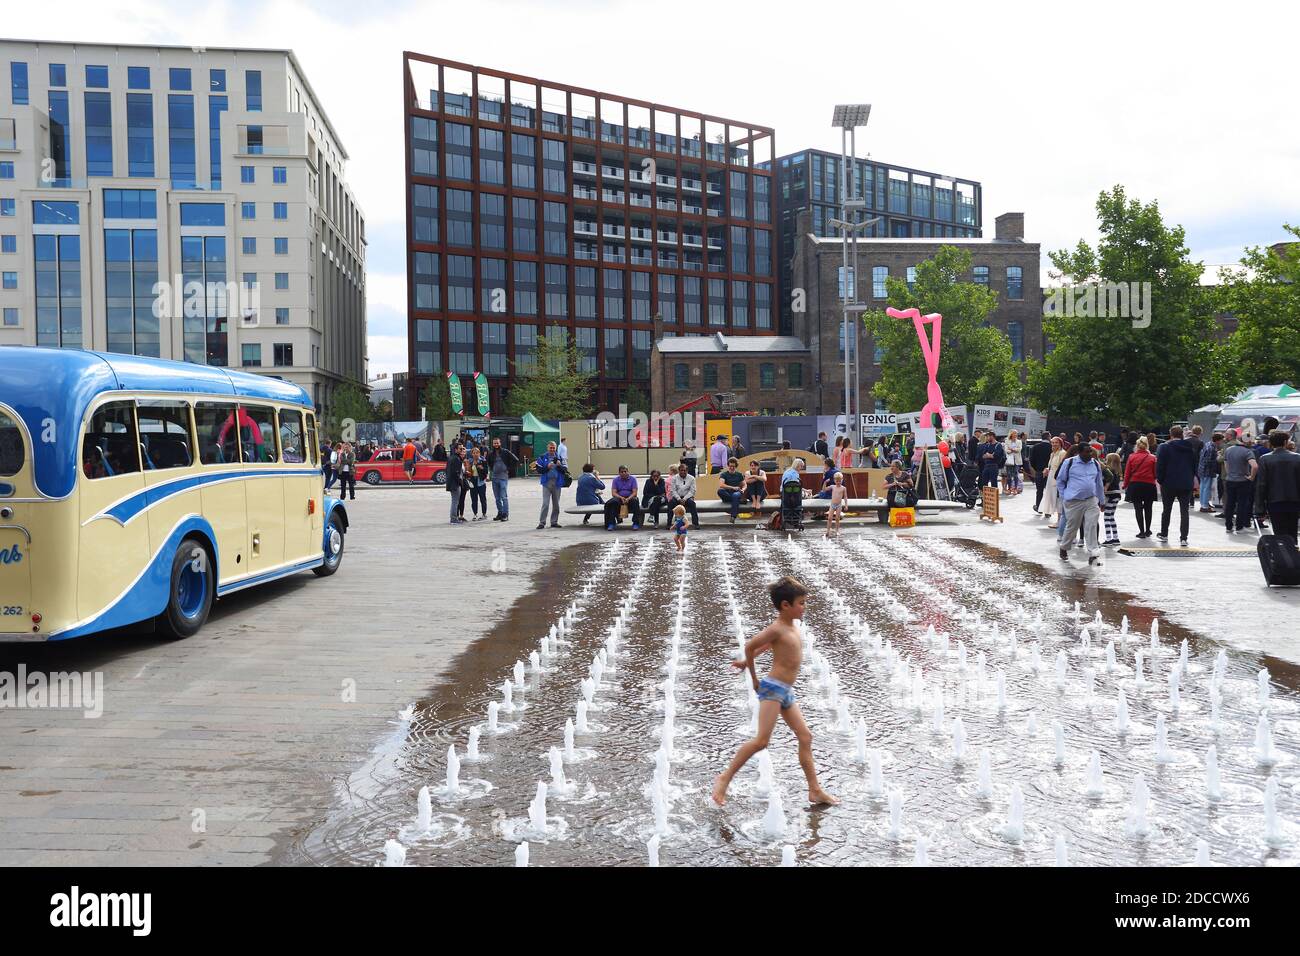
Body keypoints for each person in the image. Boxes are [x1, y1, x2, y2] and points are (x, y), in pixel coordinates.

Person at [712, 576, 837, 808]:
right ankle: (724, 779)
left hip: (786, 690)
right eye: (801, 603)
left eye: (805, 602)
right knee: (761, 741)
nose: (804, 607)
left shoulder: (790, 627)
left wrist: (744, 662)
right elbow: (750, 646)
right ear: (785, 606)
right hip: (772, 688)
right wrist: (754, 677)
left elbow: (767, 646)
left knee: (805, 736)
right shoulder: (777, 628)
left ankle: (815, 790)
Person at [1056, 442, 1106, 565]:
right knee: (1072, 526)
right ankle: (1064, 547)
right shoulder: (1069, 463)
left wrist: (1102, 500)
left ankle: (1093, 552)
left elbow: (1099, 483)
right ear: (1079, 452)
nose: (1090, 454)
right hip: (1073, 501)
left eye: (1090, 451)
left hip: (1091, 500)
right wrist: (1064, 496)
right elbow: (1060, 480)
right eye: (1087, 452)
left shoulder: (1095, 463)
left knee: (1092, 525)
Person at [1255, 430, 1300, 544]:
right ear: (1285, 442)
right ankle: (1293, 554)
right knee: (1292, 529)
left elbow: (1261, 484)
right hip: (1294, 500)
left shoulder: (1265, 459)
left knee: (1279, 530)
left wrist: (1260, 508)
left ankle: (1282, 554)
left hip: (1274, 500)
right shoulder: (1297, 458)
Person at [1155, 424, 1197, 546]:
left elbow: (1160, 466)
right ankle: (1184, 537)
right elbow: (1194, 466)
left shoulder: (1164, 447)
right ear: (1181, 434)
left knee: (1166, 510)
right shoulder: (1190, 449)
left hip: (1169, 482)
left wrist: (1160, 480)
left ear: (1171, 434)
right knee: (1184, 511)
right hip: (1186, 483)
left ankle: (1164, 534)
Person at [1222, 428, 1259, 535]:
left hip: (1230, 480)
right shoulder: (1248, 452)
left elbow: (1226, 463)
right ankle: (1239, 527)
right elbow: (1255, 466)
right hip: (1243, 481)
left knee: (1230, 503)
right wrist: (1251, 477)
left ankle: (1228, 526)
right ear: (1249, 441)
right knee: (1242, 504)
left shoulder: (1229, 449)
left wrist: (1230, 473)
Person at [1123, 436, 1158, 538]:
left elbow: (1127, 473)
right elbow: (1155, 474)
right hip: (1149, 485)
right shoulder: (1153, 458)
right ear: (1147, 446)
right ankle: (1148, 530)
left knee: (1138, 509)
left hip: (1135, 485)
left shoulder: (1131, 457)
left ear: (1137, 446)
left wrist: (1125, 485)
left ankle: (1141, 532)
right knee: (1148, 508)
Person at [487, 437, 519, 521]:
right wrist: (492, 469)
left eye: (497, 443)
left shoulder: (505, 452)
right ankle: (500, 513)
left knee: (504, 496)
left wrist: (509, 469)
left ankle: (505, 514)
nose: (496, 444)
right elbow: (488, 463)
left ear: (500, 443)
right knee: (497, 498)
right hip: (494, 478)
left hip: (503, 478)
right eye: (494, 443)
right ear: (492, 444)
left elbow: (516, 460)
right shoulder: (490, 454)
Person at [535, 440, 564, 529]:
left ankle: (554, 522)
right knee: (545, 504)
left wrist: (559, 466)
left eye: (553, 448)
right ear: (547, 448)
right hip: (546, 483)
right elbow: (539, 470)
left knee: (556, 504)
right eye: (550, 448)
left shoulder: (559, 457)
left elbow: (565, 471)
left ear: (556, 448)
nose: (552, 449)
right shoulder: (542, 457)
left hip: (557, 483)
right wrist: (547, 467)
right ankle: (542, 522)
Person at [603, 465, 643, 530]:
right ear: (619, 473)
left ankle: (635, 523)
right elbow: (614, 493)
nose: (624, 473)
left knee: (635, 501)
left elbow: (634, 493)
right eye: (622, 472)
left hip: (630, 497)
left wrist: (628, 498)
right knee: (612, 503)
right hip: (619, 498)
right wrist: (621, 497)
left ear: (628, 472)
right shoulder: (616, 480)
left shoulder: (633, 479)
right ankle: (611, 523)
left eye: (625, 471)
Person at [1042, 437, 1067, 527]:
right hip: (1051, 478)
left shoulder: (1062, 453)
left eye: (1056, 442)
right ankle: (1059, 520)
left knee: (1058, 500)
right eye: (1052, 443)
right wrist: (1047, 469)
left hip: (1058, 480)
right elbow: (1051, 466)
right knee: (1054, 499)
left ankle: (1059, 521)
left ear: (1060, 443)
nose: (1054, 444)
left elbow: (1062, 468)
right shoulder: (1052, 454)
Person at [668, 462, 700, 529]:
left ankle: (696, 523)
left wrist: (685, 499)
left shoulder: (691, 478)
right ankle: (669, 523)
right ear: (679, 471)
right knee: (671, 503)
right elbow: (673, 490)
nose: (683, 472)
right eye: (681, 470)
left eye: (684, 470)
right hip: (677, 497)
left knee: (692, 504)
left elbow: (692, 491)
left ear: (687, 471)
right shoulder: (674, 478)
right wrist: (679, 498)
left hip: (687, 497)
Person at [460, 447, 488, 520]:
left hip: (481, 482)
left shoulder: (483, 461)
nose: (475, 454)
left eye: (477, 453)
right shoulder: (470, 461)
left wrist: (482, 468)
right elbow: (466, 470)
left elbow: (486, 472)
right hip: (473, 482)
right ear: (472, 454)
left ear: (479, 453)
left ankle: (484, 514)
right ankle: (475, 514)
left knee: (483, 498)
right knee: (474, 499)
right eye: (474, 453)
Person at [1198, 432, 1223, 512]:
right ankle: (1205, 506)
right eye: (1221, 440)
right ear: (1218, 440)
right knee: (1207, 488)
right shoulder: (1212, 448)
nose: (1222, 442)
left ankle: (1203, 504)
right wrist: (1217, 458)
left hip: (1202, 469)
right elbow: (1208, 461)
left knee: (1202, 487)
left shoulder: (1208, 444)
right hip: (1207, 471)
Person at [1028, 431, 1053, 512]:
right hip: (1050, 471)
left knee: (1039, 490)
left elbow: (1031, 460)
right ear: (1049, 437)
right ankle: (1048, 511)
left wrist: (1036, 468)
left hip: (1039, 471)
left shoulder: (1036, 447)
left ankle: (1038, 507)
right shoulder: (1052, 447)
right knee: (1049, 491)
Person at [1101, 452, 1122, 545]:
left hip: (1110, 495)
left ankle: (1108, 539)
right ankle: (1115, 538)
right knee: (1111, 517)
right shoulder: (1117, 471)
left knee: (1106, 517)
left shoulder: (1108, 471)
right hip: (1117, 495)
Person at [718, 457, 746, 523]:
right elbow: (721, 485)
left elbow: (744, 485)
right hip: (727, 493)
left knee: (735, 495)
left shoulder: (739, 474)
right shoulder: (724, 474)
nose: (732, 467)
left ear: (736, 466)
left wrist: (743, 489)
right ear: (728, 465)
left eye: (733, 466)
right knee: (720, 491)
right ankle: (737, 501)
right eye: (730, 466)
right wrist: (733, 487)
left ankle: (733, 516)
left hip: (736, 492)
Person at [445, 445, 465, 524]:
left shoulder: (451, 457)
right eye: (460, 448)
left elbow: (447, 470)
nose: (462, 450)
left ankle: (453, 518)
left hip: (451, 482)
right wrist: (459, 481)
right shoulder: (456, 459)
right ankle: (453, 519)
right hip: (455, 483)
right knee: (455, 501)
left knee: (454, 501)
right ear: (456, 449)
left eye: (462, 448)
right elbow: (456, 473)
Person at [825, 472, 848, 538]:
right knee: (829, 518)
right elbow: (824, 489)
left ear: (842, 480)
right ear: (834, 480)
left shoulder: (843, 488)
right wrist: (825, 483)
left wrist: (846, 505)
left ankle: (837, 531)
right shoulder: (833, 487)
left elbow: (845, 497)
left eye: (840, 481)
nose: (838, 482)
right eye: (837, 481)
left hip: (839, 505)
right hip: (832, 504)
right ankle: (828, 531)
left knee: (837, 519)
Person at [1003, 430, 1023, 495]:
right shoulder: (1007, 441)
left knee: (1015, 475)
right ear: (1011, 434)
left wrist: (1011, 449)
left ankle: (1015, 489)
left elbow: (1019, 449)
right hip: (1009, 460)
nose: (1015, 435)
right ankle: (1009, 489)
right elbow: (1006, 450)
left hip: (1016, 460)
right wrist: (1013, 450)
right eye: (1014, 433)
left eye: (1016, 434)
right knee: (1008, 475)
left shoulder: (1019, 441)